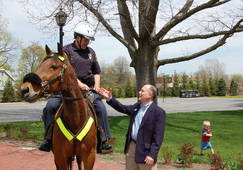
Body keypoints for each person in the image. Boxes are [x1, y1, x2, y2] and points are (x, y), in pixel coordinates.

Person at [39, 24, 113, 154]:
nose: (87, 42)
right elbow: (66, 71)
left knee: (101, 108)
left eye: (89, 40)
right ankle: (48, 139)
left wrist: (96, 85)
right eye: (85, 39)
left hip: (88, 88)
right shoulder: (65, 51)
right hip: (67, 88)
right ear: (77, 38)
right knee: (50, 107)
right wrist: (78, 84)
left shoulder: (91, 52)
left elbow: (97, 71)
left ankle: (103, 141)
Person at [98, 84, 166, 170]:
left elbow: (158, 136)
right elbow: (122, 108)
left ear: (150, 95)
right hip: (131, 148)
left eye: (142, 91)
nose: (139, 92)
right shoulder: (137, 107)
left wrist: (152, 154)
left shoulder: (158, 112)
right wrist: (110, 98)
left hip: (146, 152)